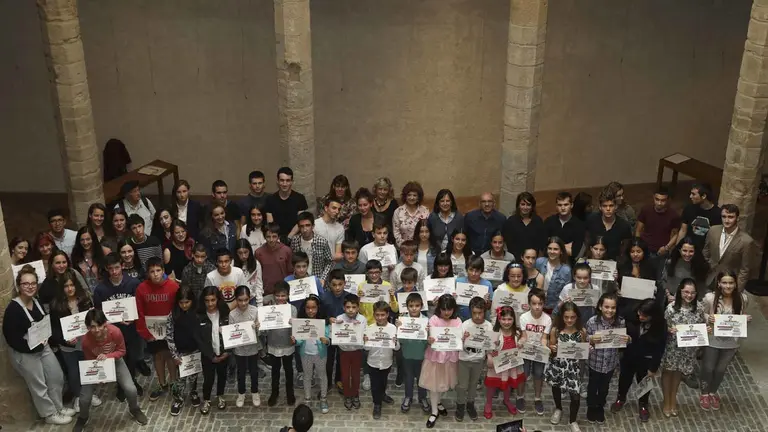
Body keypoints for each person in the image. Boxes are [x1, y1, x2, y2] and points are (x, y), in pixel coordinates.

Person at [2, 265, 74, 425]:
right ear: (19, 285)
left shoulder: (36, 301)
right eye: (25, 283)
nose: (30, 286)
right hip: (25, 353)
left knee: (56, 376)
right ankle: (49, 414)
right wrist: (31, 346)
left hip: (43, 347)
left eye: (33, 283)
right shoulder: (13, 309)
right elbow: (11, 338)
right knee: (38, 385)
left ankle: (58, 406)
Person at [74, 309, 149, 431]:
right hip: (96, 364)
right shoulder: (86, 341)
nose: (97, 330)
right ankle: (83, 417)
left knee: (131, 389)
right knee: (84, 398)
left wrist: (108, 357)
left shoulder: (115, 332)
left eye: (100, 325)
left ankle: (134, 409)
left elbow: (122, 351)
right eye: (93, 327)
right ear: (88, 327)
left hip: (115, 360)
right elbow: (89, 359)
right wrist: (99, 376)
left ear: (105, 323)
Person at [92, 253, 145, 399]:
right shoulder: (100, 290)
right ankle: (121, 385)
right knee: (118, 358)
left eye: (117, 267)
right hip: (112, 332)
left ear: (122, 265)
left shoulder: (133, 283)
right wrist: (109, 322)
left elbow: (140, 306)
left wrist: (134, 318)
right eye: (111, 269)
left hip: (131, 329)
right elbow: (98, 313)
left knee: (132, 356)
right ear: (106, 270)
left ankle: (132, 381)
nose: (114, 272)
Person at [700, 270, 751, 410]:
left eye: (731, 283)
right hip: (713, 338)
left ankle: (713, 392)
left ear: (735, 284)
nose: (728, 286)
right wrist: (706, 318)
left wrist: (746, 320)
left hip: (731, 341)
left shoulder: (742, 298)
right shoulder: (710, 298)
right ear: (719, 283)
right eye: (724, 283)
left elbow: (742, 316)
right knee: (708, 368)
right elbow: (700, 312)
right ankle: (704, 393)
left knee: (721, 369)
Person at [611, 298, 666, 422]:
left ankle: (643, 404)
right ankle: (621, 398)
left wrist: (653, 368)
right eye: (640, 313)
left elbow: (660, 348)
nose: (641, 316)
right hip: (629, 356)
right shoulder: (630, 315)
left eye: (645, 316)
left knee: (645, 383)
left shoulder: (660, 325)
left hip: (646, 359)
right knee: (624, 379)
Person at [49, 271, 96, 412]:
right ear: (61, 288)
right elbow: (54, 330)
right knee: (74, 372)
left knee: (88, 369)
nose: (70, 289)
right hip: (68, 347)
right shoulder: (56, 305)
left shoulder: (85, 300)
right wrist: (65, 339)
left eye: (72, 285)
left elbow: (93, 321)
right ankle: (78, 397)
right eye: (66, 286)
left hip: (86, 343)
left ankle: (89, 394)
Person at [136, 256, 180, 401]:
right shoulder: (142, 289)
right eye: (152, 271)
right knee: (158, 357)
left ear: (163, 271)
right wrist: (145, 333)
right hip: (152, 331)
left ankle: (174, 382)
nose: (155, 274)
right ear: (147, 273)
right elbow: (139, 312)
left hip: (170, 330)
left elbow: (178, 308)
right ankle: (162, 383)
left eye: (158, 270)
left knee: (170, 356)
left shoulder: (173, 287)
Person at [661, 278, 706, 417]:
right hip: (672, 347)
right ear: (680, 291)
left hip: (687, 348)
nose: (689, 295)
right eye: (686, 292)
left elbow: (700, 325)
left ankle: (673, 398)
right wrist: (669, 330)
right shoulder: (671, 308)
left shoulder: (699, 308)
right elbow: (662, 327)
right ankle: (666, 400)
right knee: (668, 372)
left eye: (692, 293)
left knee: (679, 374)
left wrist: (705, 331)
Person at [544, 301, 586, 431]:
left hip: (573, 367)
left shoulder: (582, 332)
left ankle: (572, 420)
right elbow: (551, 349)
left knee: (575, 396)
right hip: (558, 366)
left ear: (577, 317)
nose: (569, 320)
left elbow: (583, 352)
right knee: (556, 388)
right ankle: (558, 408)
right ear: (562, 317)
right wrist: (552, 348)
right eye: (566, 317)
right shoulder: (555, 331)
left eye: (572, 317)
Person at [585, 292, 627, 424]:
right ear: (600, 307)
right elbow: (585, 339)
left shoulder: (620, 322)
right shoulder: (592, 322)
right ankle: (591, 407)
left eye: (613, 308)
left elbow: (623, 340)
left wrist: (628, 339)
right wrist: (591, 339)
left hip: (610, 363)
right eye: (606, 307)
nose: (609, 310)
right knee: (592, 386)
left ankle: (600, 406)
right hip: (595, 362)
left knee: (604, 388)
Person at [421, 294, 461, 428]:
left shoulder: (457, 321)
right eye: (444, 309)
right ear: (439, 308)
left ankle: (438, 402)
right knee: (434, 385)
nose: (446, 312)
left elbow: (458, 339)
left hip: (450, 358)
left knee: (444, 383)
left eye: (449, 309)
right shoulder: (434, 319)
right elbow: (429, 337)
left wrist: (464, 337)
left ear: (454, 309)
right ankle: (434, 411)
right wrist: (429, 339)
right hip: (435, 358)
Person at [166, 285, 204, 415]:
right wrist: (174, 355)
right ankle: (178, 398)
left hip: (194, 351)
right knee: (180, 378)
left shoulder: (197, 314)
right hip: (180, 352)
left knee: (194, 375)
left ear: (192, 301)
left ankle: (193, 392)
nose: (184, 305)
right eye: (181, 303)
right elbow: (169, 335)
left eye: (187, 302)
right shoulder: (173, 315)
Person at [484, 305, 527, 419]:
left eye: (509, 319)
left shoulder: (517, 333)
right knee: (492, 385)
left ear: (514, 320)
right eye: (503, 319)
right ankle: (488, 403)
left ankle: (507, 400)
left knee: (507, 384)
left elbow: (524, 340)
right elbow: (488, 348)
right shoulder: (494, 332)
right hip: (497, 364)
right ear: (499, 319)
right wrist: (491, 354)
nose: (506, 322)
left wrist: (521, 342)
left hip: (511, 365)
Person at [455, 297, 493, 422]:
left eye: (480, 313)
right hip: (464, 360)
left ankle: (470, 404)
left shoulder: (488, 326)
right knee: (462, 385)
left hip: (478, 360)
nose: (477, 316)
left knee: (473, 384)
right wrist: (463, 339)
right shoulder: (465, 324)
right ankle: (460, 405)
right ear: (470, 311)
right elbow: (456, 343)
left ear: (485, 312)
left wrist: (490, 354)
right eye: (474, 313)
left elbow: (490, 344)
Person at [703, 204, 755, 292]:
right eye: (724, 216)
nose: (726, 220)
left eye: (730, 217)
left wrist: (737, 290)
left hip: (729, 284)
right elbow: (706, 251)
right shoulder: (713, 230)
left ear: (737, 218)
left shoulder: (746, 241)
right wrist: (711, 264)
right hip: (710, 279)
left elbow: (744, 270)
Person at [197, 286, 231, 414]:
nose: (210, 303)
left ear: (218, 300)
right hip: (208, 356)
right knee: (208, 379)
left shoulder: (224, 312)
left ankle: (220, 395)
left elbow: (231, 331)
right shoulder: (199, 316)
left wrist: (227, 352)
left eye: (213, 300)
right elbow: (199, 339)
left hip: (223, 353)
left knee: (222, 376)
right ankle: (206, 399)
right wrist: (210, 356)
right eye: (207, 300)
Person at [395, 292, 430, 414]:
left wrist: (429, 332)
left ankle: (423, 397)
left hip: (422, 355)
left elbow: (430, 341)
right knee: (408, 378)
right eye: (411, 305)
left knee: (422, 378)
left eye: (417, 305)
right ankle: (408, 397)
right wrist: (398, 328)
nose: (414, 308)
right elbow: (399, 340)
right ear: (407, 306)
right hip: (407, 355)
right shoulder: (402, 320)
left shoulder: (426, 321)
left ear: (421, 306)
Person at [363, 301, 399, 419]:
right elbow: (366, 348)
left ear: (387, 314)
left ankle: (382, 395)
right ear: (374, 315)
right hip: (372, 361)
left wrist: (395, 341)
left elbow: (397, 348)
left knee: (383, 382)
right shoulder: (370, 328)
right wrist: (365, 341)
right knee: (375, 385)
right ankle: (377, 404)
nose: (380, 317)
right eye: (377, 315)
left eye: (382, 315)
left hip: (386, 361)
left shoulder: (393, 328)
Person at [295, 294, 330, 413]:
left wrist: (326, 341)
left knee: (322, 375)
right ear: (304, 309)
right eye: (308, 308)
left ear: (318, 308)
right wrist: (295, 340)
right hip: (306, 354)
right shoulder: (300, 323)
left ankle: (323, 398)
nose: (311, 310)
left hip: (320, 354)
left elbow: (328, 338)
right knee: (307, 376)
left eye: (313, 307)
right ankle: (307, 398)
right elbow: (299, 341)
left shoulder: (324, 323)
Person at [518, 289, 551, 416]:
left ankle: (537, 398)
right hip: (526, 350)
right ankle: (520, 396)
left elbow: (544, 338)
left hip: (539, 352)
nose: (537, 307)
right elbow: (524, 336)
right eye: (534, 303)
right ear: (529, 303)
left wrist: (544, 347)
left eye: (540, 304)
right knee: (523, 374)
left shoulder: (547, 319)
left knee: (538, 374)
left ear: (544, 304)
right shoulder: (523, 317)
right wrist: (520, 342)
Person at [266, 281, 299, 407]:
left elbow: (296, 330)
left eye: (283, 295)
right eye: (278, 296)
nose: (280, 298)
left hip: (287, 344)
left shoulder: (293, 309)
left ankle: (290, 394)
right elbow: (265, 330)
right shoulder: (269, 310)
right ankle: (274, 394)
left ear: (288, 295)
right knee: (275, 371)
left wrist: (294, 324)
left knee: (289, 370)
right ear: (274, 295)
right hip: (273, 344)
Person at [229, 286, 262, 409]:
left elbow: (260, 334)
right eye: (240, 300)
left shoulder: (255, 311)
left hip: (253, 347)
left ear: (250, 298)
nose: (243, 303)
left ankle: (255, 392)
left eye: (246, 300)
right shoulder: (232, 314)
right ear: (236, 300)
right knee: (240, 372)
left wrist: (258, 327)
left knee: (254, 371)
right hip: (239, 349)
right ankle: (241, 393)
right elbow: (231, 334)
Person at [331, 294, 366, 410]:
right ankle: (347, 395)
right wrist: (336, 325)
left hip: (357, 351)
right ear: (343, 307)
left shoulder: (362, 319)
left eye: (354, 307)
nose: (351, 310)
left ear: (358, 307)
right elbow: (335, 333)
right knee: (345, 376)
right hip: (344, 351)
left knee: (356, 376)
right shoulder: (339, 318)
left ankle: (355, 394)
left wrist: (358, 328)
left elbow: (365, 335)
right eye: (348, 307)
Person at [617, 238, 663, 317]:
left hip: (644, 304)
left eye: (638, 251)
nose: (635, 254)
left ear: (644, 252)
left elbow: (655, 285)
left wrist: (654, 289)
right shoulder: (622, 266)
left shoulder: (651, 267)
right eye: (632, 252)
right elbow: (618, 285)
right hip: (626, 304)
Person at [320, 270, 347, 395]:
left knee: (341, 358)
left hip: (343, 334)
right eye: (334, 285)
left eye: (340, 284)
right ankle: (327, 382)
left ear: (344, 283)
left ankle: (339, 380)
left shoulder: (348, 297)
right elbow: (319, 315)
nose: (337, 288)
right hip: (328, 334)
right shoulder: (324, 297)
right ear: (329, 284)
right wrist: (327, 319)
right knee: (328, 360)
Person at [584, 190, 632, 261]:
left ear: (616, 206)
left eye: (611, 206)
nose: (608, 209)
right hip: (593, 260)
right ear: (600, 207)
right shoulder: (591, 220)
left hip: (614, 262)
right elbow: (586, 241)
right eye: (604, 206)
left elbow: (625, 248)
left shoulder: (624, 225)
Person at [635, 187, 681, 258]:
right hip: (644, 248)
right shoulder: (646, 210)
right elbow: (638, 230)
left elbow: (675, 234)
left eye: (663, 200)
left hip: (661, 250)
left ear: (668, 200)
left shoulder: (674, 215)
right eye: (657, 199)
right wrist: (637, 246)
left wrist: (666, 248)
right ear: (653, 198)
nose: (659, 203)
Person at [290, 212, 334, 286]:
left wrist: (323, 278)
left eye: (307, 225)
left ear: (313, 226)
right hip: (299, 281)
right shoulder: (295, 240)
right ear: (298, 227)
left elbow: (329, 262)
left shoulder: (322, 241)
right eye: (302, 226)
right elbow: (293, 261)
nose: (305, 229)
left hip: (317, 280)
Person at [266, 167, 309, 240]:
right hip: (276, 239)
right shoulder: (270, 199)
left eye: (288, 180)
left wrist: (289, 237)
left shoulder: (300, 198)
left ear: (292, 182)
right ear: (277, 181)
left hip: (296, 238)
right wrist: (277, 238)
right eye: (282, 180)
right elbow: (270, 223)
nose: (284, 184)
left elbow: (300, 221)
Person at [256, 223, 294, 305]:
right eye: (268, 237)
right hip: (266, 293)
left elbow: (290, 272)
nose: (271, 239)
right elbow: (257, 276)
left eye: (274, 236)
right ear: (264, 237)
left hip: (283, 294)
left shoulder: (287, 251)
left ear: (278, 237)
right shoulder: (258, 252)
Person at [660, 237, 709, 301]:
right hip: (671, 299)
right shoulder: (671, 262)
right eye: (685, 251)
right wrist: (668, 295)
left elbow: (702, 288)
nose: (687, 254)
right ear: (679, 250)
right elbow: (664, 281)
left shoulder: (701, 266)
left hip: (692, 301)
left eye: (691, 251)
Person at [502, 192, 547, 260]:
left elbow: (542, 244)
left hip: (532, 260)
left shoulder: (538, 221)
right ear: (518, 205)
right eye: (523, 204)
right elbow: (505, 243)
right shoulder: (511, 221)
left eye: (528, 205)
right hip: (514, 260)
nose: (525, 207)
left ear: (532, 206)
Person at [677, 183, 721, 251]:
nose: (690, 196)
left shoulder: (718, 214)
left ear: (703, 196)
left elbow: (716, 238)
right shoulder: (689, 208)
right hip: (688, 249)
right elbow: (683, 230)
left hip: (705, 252)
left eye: (693, 194)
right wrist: (677, 249)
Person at [544, 192, 586, 261]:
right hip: (550, 262)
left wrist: (554, 245)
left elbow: (574, 252)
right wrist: (566, 246)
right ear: (556, 206)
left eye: (566, 205)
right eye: (560, 205)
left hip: (569, 264)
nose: (563, 208)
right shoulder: (549, 221)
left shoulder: (579, 224)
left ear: (571, 205)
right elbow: (544, 247)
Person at [536, 237, 572, 315]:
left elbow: (565, 294)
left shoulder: (566, 270)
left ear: (561, 251)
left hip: (554, 308)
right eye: (550, 248)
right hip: (537, 305)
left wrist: (556, 311)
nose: (552, 251)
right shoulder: (539, 262)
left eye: (556, 249)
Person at [392, 181, 429, 247]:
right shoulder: (398, 211)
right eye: (409, 195)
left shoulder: (425, 211)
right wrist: (405, 247)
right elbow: (396, 233)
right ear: (405, 196)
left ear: (418, 197)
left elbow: (428, 231)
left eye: (414, 195)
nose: (412, 198)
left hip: (421, 247)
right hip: (403, 249)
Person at [455, 256, 493, 321]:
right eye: (471, 270)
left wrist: (487, 302)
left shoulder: (487, 284)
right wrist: (453, 299)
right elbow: (453, 305)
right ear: (466, 269)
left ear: (481, 271)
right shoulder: (458, 281)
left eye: (477, 271)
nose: (473, 273)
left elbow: (488, 307)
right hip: (460, 319)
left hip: (480, 320)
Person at [71, 226, 107, 292]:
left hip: (104, 292)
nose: (85, 243)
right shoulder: (75, 256)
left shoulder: (103, 252)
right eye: (82, 240)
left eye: (88, 239)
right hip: (86, 296)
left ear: (93, 239)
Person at [314, 196, 345, 260]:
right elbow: (312, 251)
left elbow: (338, 254)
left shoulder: (340, 228)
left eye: (338, 209)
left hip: (332, 266)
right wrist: (332, 257)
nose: (337, 211)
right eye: (334, 208)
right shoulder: (315, 225)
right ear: (326, 208)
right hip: (316, 264)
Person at [234, 239, 264, 306]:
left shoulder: (256, 264)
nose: (243, 256)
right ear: (236, 253)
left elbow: (259, 285)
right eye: (240, 253)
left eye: (246, 252)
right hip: (237, 300)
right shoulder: (232, 264)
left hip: (251, 298)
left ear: (250, 251)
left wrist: (260, 303)